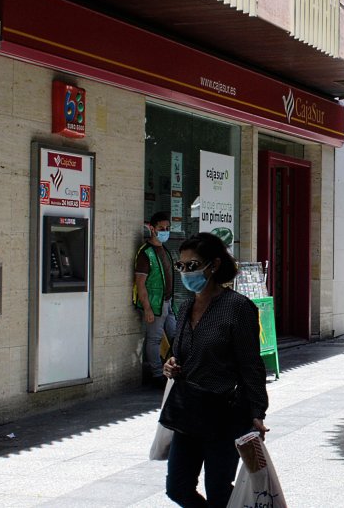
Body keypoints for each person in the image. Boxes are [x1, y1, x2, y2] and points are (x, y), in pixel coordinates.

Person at [160, 232, 269, 507]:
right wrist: (171, 364)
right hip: (188, 413)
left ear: (214, 265)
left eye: (192, 265)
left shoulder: (238, 308)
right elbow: (179, 351)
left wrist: (257, 412)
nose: (185, 272)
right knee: (177, 488)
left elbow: (251, 364)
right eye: (181, 266)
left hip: (225, 415)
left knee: (219, 490)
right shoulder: (185, 307)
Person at [134, 211, 183, 386]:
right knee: (154, 338)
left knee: (177, 335)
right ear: (151, 228)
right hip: (155, 305)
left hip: (168, 303)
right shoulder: (145, 253)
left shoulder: (164, 250)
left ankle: (176, 369)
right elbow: (140, 284)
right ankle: (156, 375)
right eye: (161, 228)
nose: (165, 231)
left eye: (167, 228)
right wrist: (147, 308)